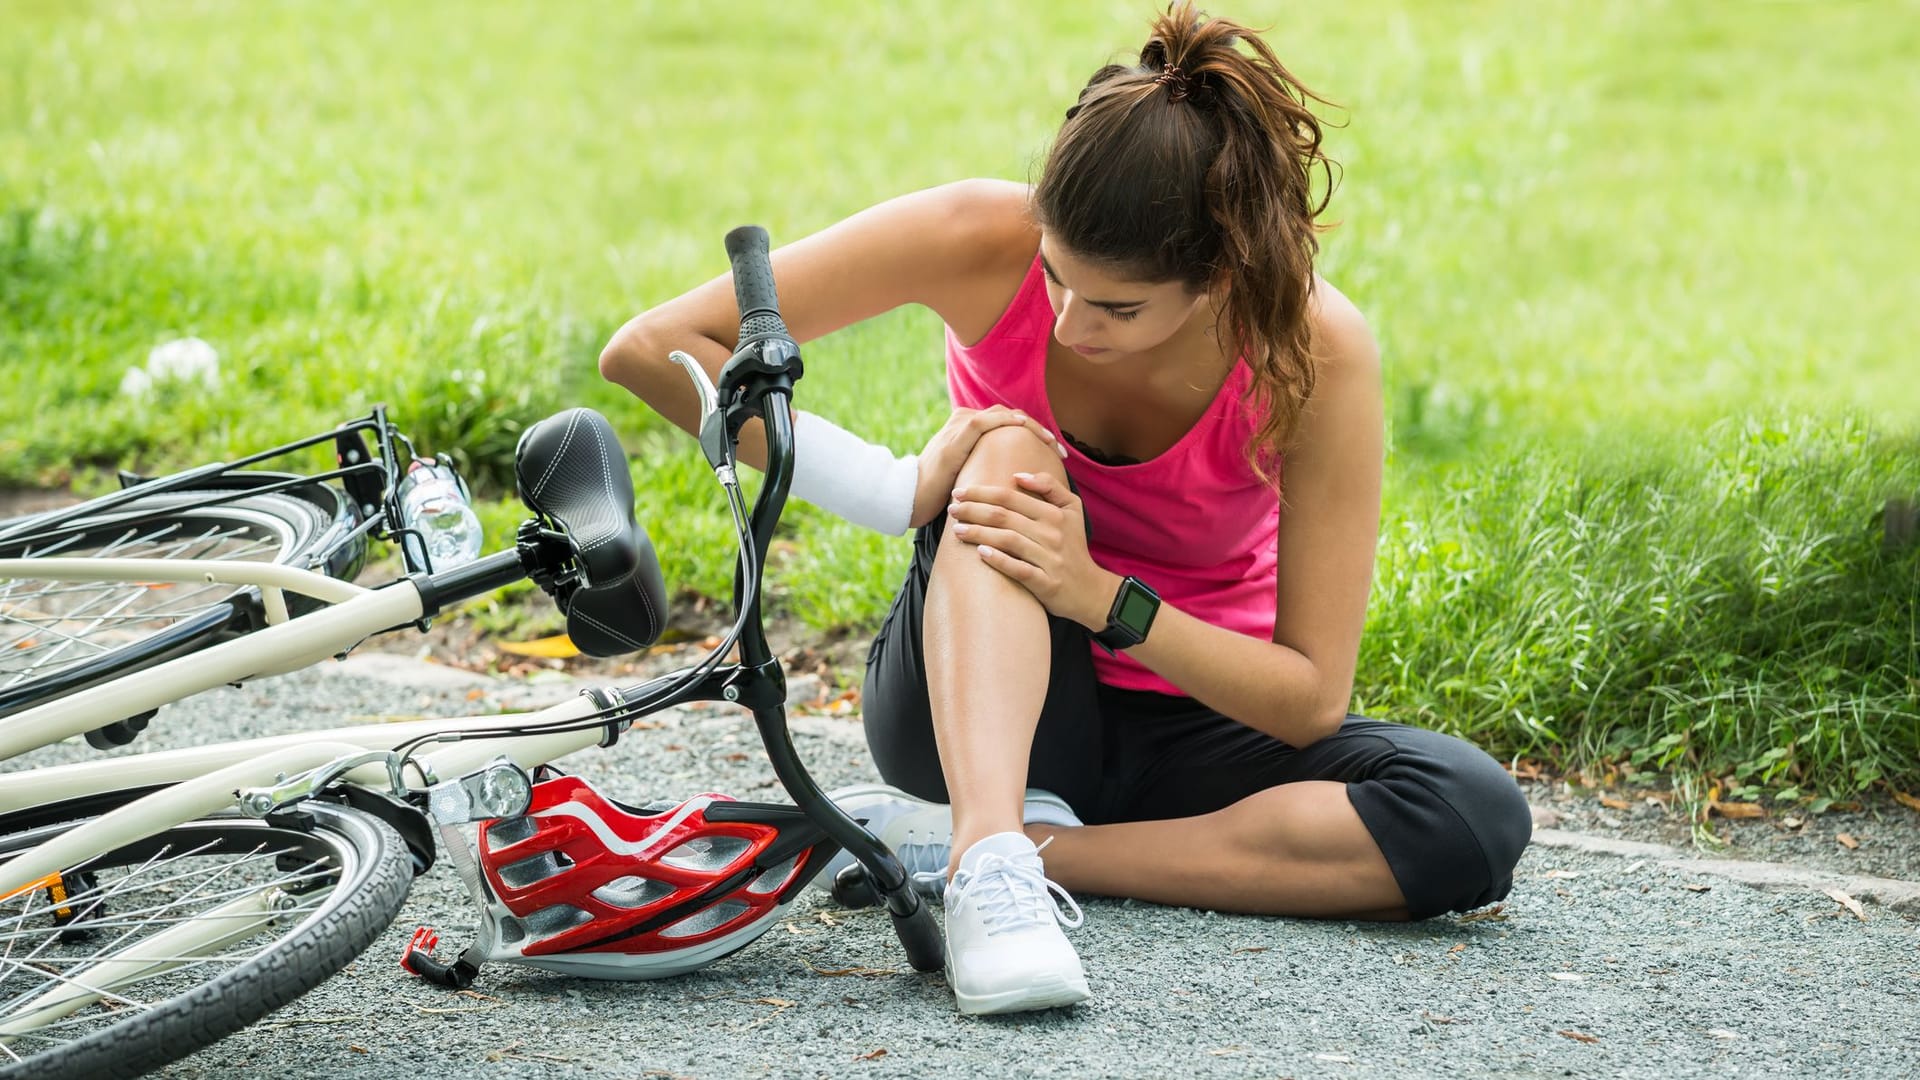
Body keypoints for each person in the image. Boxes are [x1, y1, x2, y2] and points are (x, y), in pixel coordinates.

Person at [599, 1, 1531, 1017]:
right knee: (1007, 448)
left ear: (1220, 277)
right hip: (987, 705)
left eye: (1117, 308)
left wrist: (1100, 595)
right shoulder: (974, 234)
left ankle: (1023, 853)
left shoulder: (1315, 351)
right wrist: (896, 488)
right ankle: (992, 855)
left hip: (1198, 724)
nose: (1068, 323)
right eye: (1053, 279)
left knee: (1471, 819)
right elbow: (656, 347)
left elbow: (1309, 699)